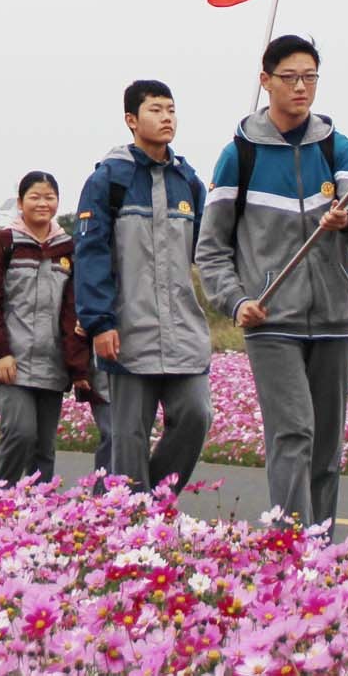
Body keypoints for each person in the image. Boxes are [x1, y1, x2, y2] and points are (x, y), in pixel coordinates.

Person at [197, 34, 348, 532]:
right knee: (293, 432)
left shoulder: (337, 146)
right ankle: (290, 547)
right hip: (272, 319)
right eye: (290, 77)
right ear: (265, 81)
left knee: (326, 446)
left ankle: (322, 550)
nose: (301, 87)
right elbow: (211, 248)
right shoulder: (240, 155)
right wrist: (236, 302)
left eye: (310, 77)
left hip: (335, 317)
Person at [75, 80, 213, 492]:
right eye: (156, 109)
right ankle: (130, 527)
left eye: (171, 109)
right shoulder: (108, 181)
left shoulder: (188, 182)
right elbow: (91, 254)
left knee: (196, 414)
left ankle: (150, 502)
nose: (167, 117)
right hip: (128, 330)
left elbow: (207, 250)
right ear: (131, 120)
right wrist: (99, 322)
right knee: (129, 438)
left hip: (183, 331)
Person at [0, 171, 93, 484]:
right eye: (35, 197)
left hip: (51, 362)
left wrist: (78, 368)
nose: (42, 203)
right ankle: (5, 498)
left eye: (49, 197)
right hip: (11, 362)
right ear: (21, 202)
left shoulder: (66, 247)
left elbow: (71, 312)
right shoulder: (2, 243)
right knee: (20, 433)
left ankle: (40, 512)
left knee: (44, 447)